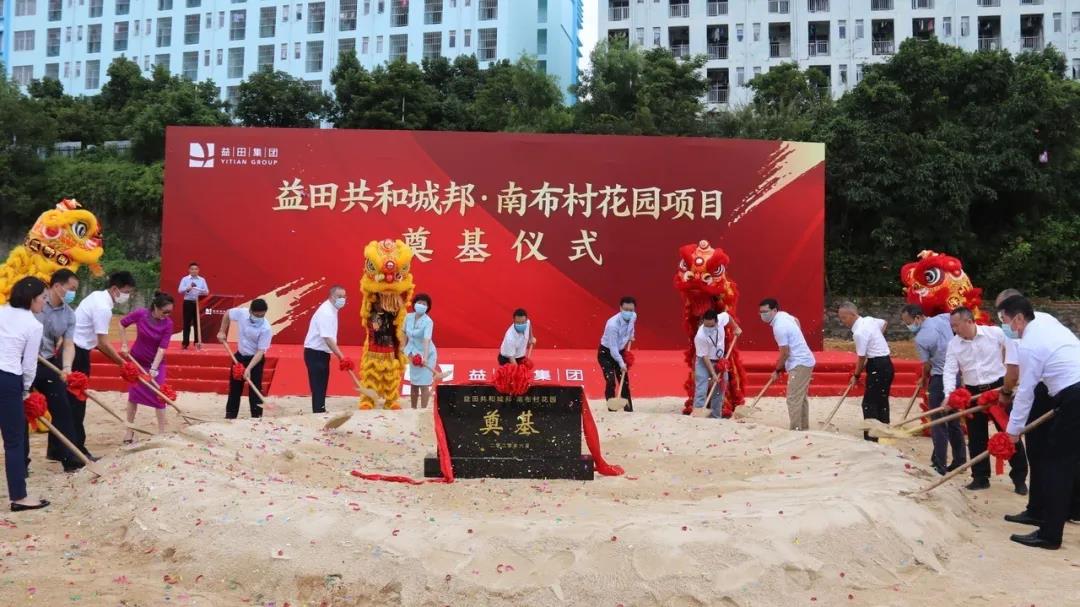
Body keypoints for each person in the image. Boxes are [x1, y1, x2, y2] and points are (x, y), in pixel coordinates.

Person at [997, 295, 1080, 550]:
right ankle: (1055, 513)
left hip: (1073, 394)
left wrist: (1012, 432)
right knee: (1066, 460)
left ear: (1019, 318)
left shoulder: (1029, 346)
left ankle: (1049, 534)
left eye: (1004, 320)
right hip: (1070, 389)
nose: (1004, 326)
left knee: (1057, 465)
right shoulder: (1044, 319)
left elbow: (1025, 392)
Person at [942, 307, 1028, 494]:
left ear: (969, 321)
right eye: (952, 326)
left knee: (1009, 433)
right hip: (972, 392)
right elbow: (949, 370)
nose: (954, 330)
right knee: (976, 437)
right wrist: (948, 394)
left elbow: (1015, 348)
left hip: (999, 390)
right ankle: (980, 478)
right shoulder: (954, 344)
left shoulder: (994, 333)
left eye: (956, 325)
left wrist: (1015, 377)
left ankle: (1019, 478)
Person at [72, 271, 136, 460]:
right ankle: (77, 452)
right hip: (77, 354)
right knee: (77, 403)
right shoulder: (103, 308)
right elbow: (103, 343)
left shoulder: (96, 296)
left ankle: (60, 450)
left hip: (74, 349)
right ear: (115, 289)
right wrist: (122, 363)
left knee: (71, 402)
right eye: (126, 292)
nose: (127, 296)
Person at [0, 277, 50, 511]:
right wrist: (26, 389)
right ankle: (19, 497)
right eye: (43, 298)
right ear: (32, 299)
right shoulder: (33, 325)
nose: (44, 303)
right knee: (14, 440)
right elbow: (29, 365)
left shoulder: (1, 311)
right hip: (8, 378)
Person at [900, 304, 966, 475]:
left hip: (940, 378)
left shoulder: (921, 338)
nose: (908, 326)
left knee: (937, 422)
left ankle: (939, 463)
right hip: (955, 375)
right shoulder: (943, 318)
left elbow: (927, 364)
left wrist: (923, 378)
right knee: (953, 420)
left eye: (908, 322)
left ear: (917, 318)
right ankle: (960, 460)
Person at [32, 269, 84, 472]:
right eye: (71, 288)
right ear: (57, 286)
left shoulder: (69, 314)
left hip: (47, 362)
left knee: (62, 408)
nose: (73, 293)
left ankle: (70, 459)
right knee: (23, 412)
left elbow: (69, 344)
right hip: (23, 363)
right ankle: (22, 463)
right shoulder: (34, 301)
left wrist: (67, 367)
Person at [119, 292, 175, 440]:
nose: (167, 315)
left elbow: (162, 349)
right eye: (164, 311)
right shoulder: (141, 314)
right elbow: (122, 324)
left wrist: (154, 369)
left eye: (170, 312)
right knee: (133, 396)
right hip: (137, 361)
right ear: (155, 307)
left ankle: (161, 432)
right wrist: (124, 344)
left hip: (156, 364)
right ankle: (129, 430)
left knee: (160, 396)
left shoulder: (168, 324)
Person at [837, 301, 893, 441]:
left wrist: (856, 375)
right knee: (881, 400)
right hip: (887, 364)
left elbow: (861, 358)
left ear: (852, 314)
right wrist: (875, 340)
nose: (843, 321)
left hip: (877, 365)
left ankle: (871, 438)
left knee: (869, 403)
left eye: (844, 318)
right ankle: (883, 431)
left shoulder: (859, 333)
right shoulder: (869, 320)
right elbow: (884, 323)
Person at [760, 298, 816, 431]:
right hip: (804, 360)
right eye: (761, 312)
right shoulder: (783, 315)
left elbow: (785, 353)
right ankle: (803, 426)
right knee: (800, 397)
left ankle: (795, 428)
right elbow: (796, 320)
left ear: (774, 310)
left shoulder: (779, 327)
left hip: (800, 362)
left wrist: (777, 370)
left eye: (765, 311)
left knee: (793, 398)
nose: (763, 315)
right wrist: (798, 337)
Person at [217, 299, 271, 419]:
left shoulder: (266, 328)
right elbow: (227, 313)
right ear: (251, 311)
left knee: (255, 389)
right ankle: (230, 416)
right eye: (257, 315)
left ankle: (256, 417)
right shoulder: (242, 313)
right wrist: (222, 331)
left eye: (262, 315)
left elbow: (260, 351)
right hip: (239, 357)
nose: (259, 318)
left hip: (255, 360)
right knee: (235, 388)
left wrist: (249, 368)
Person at [302, 286, 348, 414]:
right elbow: (327, 337)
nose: (342, 299)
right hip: (315, 352)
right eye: (339, 296)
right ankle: (318, 411)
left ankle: (320, 409)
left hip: (322, 352)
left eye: (344, 296)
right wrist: (341, 356)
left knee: (322, 384)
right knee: (318, 385)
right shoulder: (326, 312)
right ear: (331, 296)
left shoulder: (332, 309)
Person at [692, 310, 741, 419]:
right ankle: (697, 416)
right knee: (701, 388)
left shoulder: (721, 318)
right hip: (704, 361)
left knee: (720, 389)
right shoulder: (700, 336)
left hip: (720, 360)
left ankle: (715, 416)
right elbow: (705, 357)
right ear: (703, 321)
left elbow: (728, 316)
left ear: (716, 321)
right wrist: (713, 374)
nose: (708, 328)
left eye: (711, 326)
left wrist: (736, 327)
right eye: (706, 325)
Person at [598, 296, 637, 413]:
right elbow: (613, 349)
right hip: (606, 353)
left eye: (631, 310)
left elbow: (631, 328)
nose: (629, 312)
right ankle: (612, 408)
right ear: (620, 308)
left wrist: (631, 336)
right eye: (626, 309)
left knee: (624, 381)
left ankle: (628, 408)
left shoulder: (633, 316)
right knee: (610, 380)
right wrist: (621, 363)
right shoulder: (612, 325)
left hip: (620, 351)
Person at [404, 293, 437, 409]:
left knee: (424, 384)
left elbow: (426, 339)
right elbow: (404, 333)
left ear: (427, 307)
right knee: (414, 383)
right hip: (413, 353)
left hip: (427, 354)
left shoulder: (428, 321)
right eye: (419, 303)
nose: (421, 305)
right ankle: (413, 409)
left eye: (424, 304)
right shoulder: (408, 317)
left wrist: (425, 358)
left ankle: (422, 410)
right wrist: (404, 348)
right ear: (414, 304)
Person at [178, 262, 209, 350]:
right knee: (186, 323)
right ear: (189, 270)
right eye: (192, 269)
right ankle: (185, 343)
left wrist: (200, 291)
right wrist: (187, 288)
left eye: (196, 269)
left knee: (197, 323)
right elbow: (180, 290)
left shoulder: (202, 280)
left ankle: (197, 342)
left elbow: (207, 291)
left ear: (198, 270)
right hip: (188, 302)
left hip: (198, 303)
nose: (194, 271)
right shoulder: (185, 279)